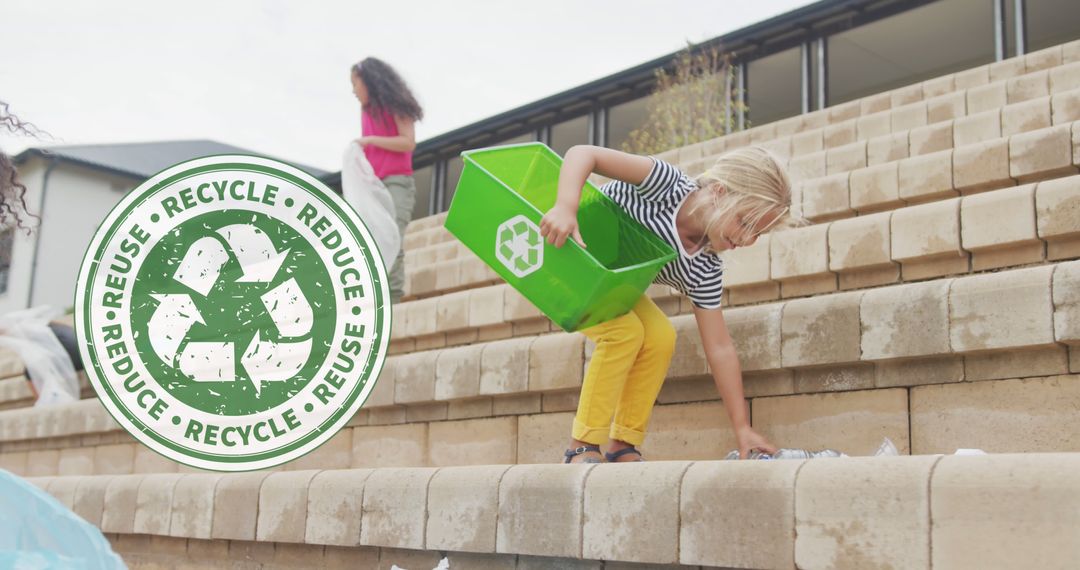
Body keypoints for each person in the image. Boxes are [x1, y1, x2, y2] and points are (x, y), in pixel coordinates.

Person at [540, 144, 798, 463]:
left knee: (662, 337)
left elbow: (720, 347)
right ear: (718, 192)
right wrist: (566, 206)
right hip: (565, 255)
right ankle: (581, 446)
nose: (747, 240)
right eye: (745, 223)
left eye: (758, 234)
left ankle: (623, 444)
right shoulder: (666, 185)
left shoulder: (704, 266)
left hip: (610, 283)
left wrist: (742, 427)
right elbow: (582, 153)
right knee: (626, 333)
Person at [350, 57, 423, 304]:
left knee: (393, 237)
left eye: (355, 84)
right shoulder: (365, 111)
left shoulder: (396, 104)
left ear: (369, 82)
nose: (354, 91)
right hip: (376, 185)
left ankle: (391, 299)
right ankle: (375, 297)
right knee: (373, 240)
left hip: (398, 182)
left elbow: (408, 142)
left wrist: (370, 141)